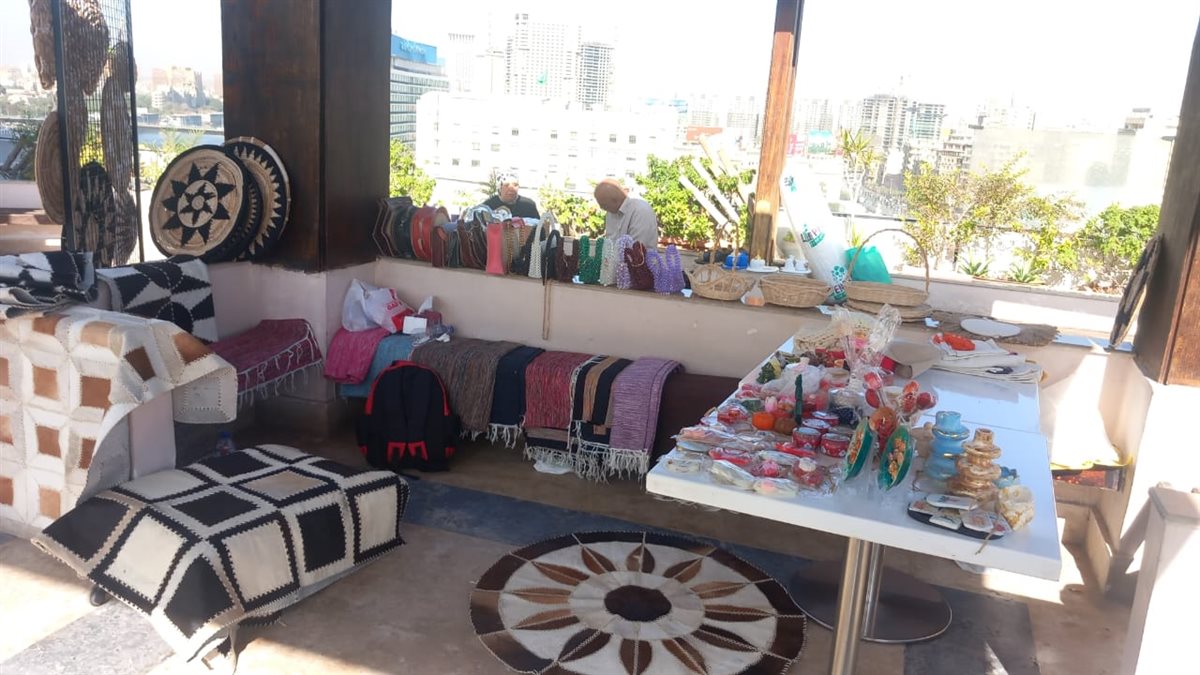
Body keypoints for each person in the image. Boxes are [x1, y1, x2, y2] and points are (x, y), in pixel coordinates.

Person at [593, 178, 659, 250]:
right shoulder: (611, 212)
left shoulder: (640, 210)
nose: (601, 208)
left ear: (615, 200)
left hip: (637, 256)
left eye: (603, 205)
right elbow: (610, 244)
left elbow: (636, 250)